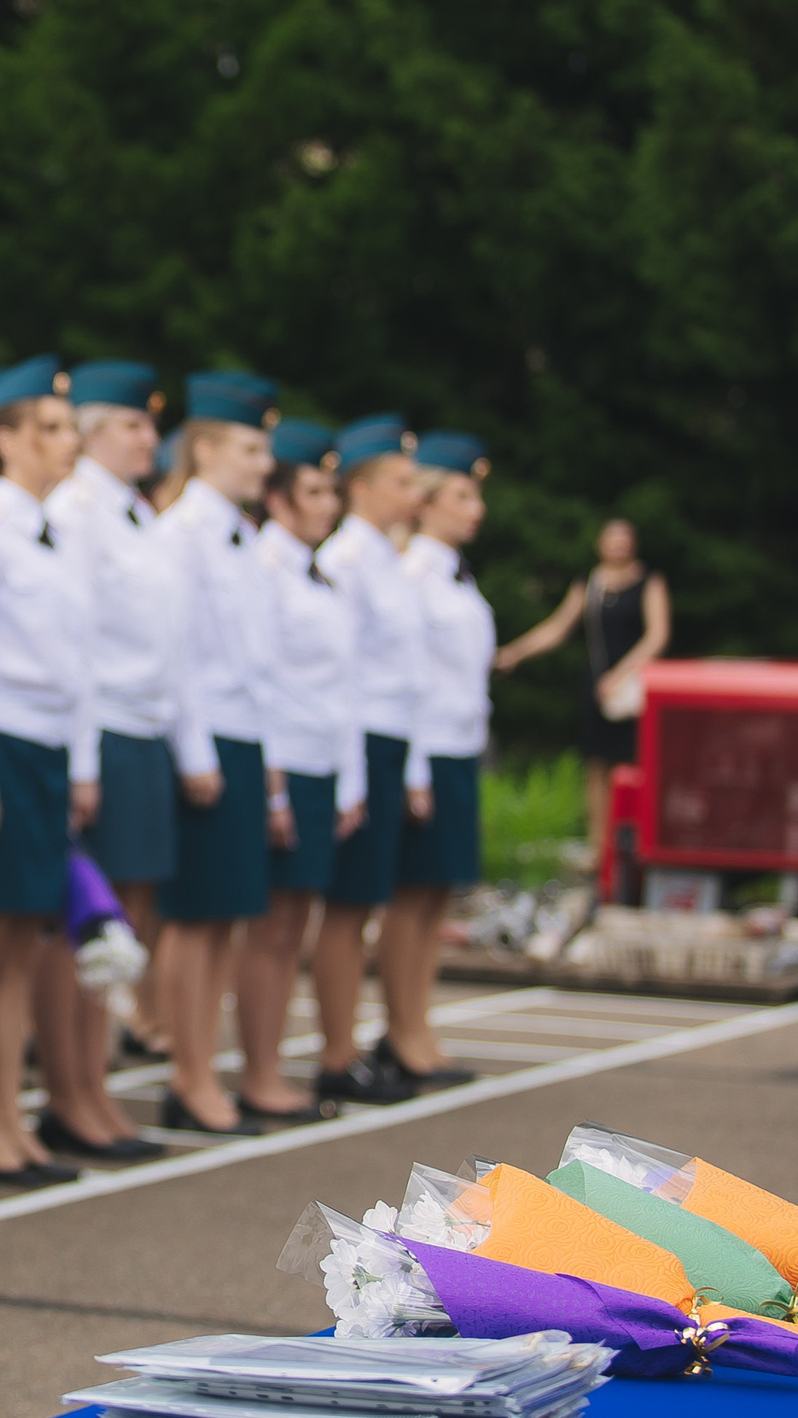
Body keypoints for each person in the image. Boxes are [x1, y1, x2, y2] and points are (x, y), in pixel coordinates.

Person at [0, 357, 92, 1185]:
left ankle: (9, 1115)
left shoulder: (55, 529)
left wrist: (79, 762)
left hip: (43, 747)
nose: (69, 442)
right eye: (51, 428)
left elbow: (76, 661)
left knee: (20, 941)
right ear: (5, 439)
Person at [35, 360, 181, 1155]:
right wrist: (87, 760)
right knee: (89, 922)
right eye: (132, 423)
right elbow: (78, 645)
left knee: (126, 915)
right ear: (92, 431)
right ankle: (72, 1091)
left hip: (141, 727)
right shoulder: (78, 509)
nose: (147, 437)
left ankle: (95, 1084)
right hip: (100, 731)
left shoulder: (136, 511)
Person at [156, 371, 280, 1135]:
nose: (263, 463)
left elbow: (257, 660)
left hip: (243, 736)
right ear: (203, 449)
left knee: (225, 916)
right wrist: (197, 753)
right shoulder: (184, 532)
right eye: (249, 448)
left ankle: (204, 1066)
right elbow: (180, 654)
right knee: (195, 917)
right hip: (204, 740)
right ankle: (188, 1071)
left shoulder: (246, 535)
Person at [237, 419, 363, 1122]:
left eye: (330, 491)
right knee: (270, 927)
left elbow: (340, 687)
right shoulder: (265, 567)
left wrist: (348, 780)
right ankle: (258, 1072)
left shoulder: (321, 572)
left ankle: (272, 1066)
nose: (328, 505)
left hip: (320, 763)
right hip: (282, 764)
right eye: (313, 491)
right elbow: (267, 683)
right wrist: (276, 788)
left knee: (294, 925)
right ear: (278, 499)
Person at [313, 415, 430, 1106]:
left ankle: (351, 1045)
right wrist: (355, 772)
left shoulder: (387, 557)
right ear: (360, 486)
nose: (414, 494)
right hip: (359, 742)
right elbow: (345, 675)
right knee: (348, 904)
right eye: (401, 481)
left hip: (390, 743)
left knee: (366, 902)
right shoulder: (348, 559)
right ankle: (337, 1051)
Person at [385, 431, 495, 1089]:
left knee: (437, 896)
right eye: (461, 496)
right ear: (425, 503)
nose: (475, 509)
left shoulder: (455, 572)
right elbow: (412, 680)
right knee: (410, 895)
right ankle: (401, 1030)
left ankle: (419, 1022)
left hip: (459, 746)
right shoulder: (415, 574)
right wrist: (416, 769)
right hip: (426, 750)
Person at [492, 518, 670, 855]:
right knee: (597, 764)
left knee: (632, 763)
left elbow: (656, 636)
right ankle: (598, 847)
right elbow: (557, 628)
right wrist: (514, 653)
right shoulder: (589, 583)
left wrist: (621, 675)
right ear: (599, 543)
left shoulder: (649, 581)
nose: (618, 544)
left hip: (632, 686)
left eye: (624, 538)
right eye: (612, 537)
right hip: (597, 683)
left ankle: (630, 844)